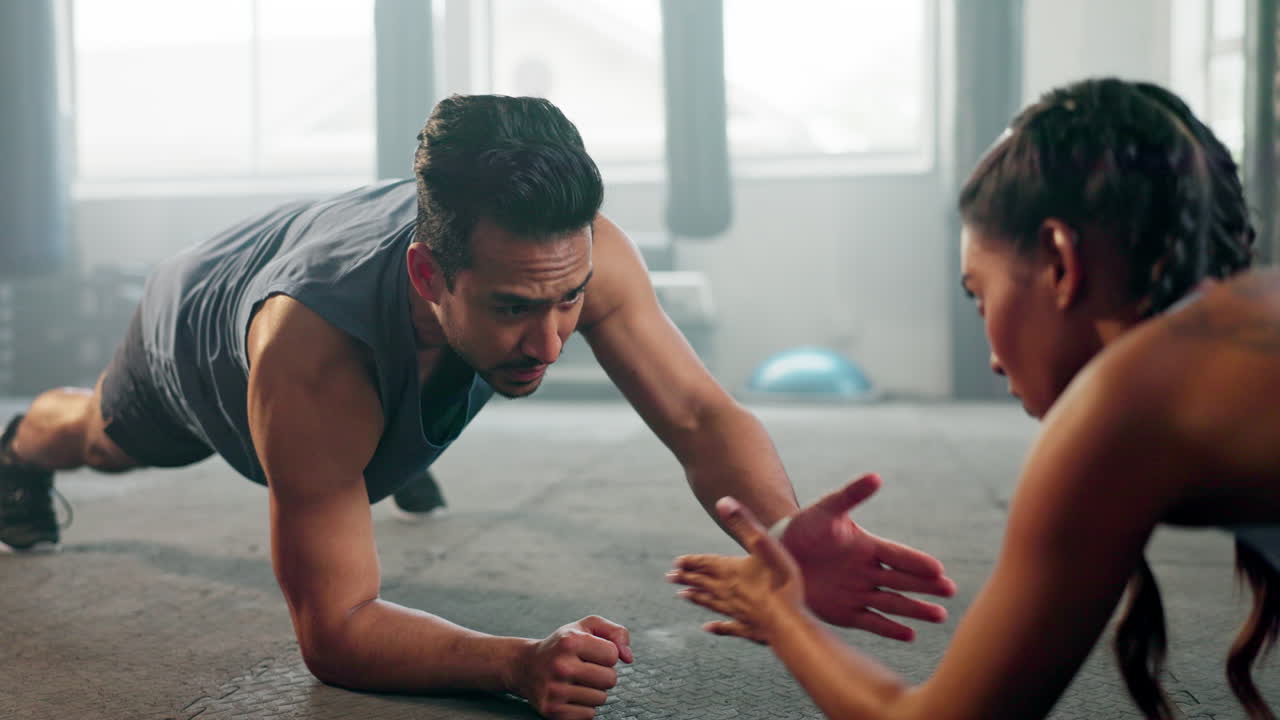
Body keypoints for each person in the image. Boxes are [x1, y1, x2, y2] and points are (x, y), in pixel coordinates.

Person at [0, 94, 956, 720]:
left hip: (388, 346)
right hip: (197, 327)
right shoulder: (313, 363)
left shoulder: (571, 252)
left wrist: (781, 535)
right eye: (513, 306)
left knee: (468, 375)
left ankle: (395, 457)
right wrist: (513, 662)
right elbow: (334, 632)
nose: (551, 342)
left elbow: (701, 419)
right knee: (104, 443)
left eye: (568, 302)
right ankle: (16, 445)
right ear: (430, 274)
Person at [669, 77, 1279, 720]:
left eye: (978, 293)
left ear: (1060, 262)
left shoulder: (1122, 403)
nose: (990, 350)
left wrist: (778, 614)